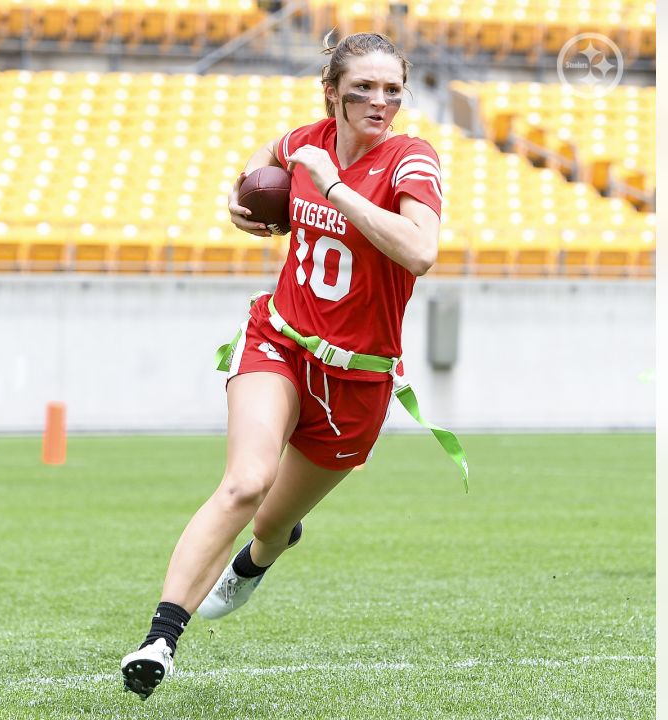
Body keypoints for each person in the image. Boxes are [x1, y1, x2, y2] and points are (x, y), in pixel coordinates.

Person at [120, 31, 461, 700]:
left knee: (271, 522)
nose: (380, 100)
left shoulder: (410, 160)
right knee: (246, 484)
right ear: (331, 92)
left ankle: (260, 556)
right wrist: (241, 197)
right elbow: (267, 161)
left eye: (392, 88)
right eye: (362, 87)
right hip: (278, 340)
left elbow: (420, 251)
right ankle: (161, 638)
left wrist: (334, 189)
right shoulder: (306, 140)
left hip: (357, 380)